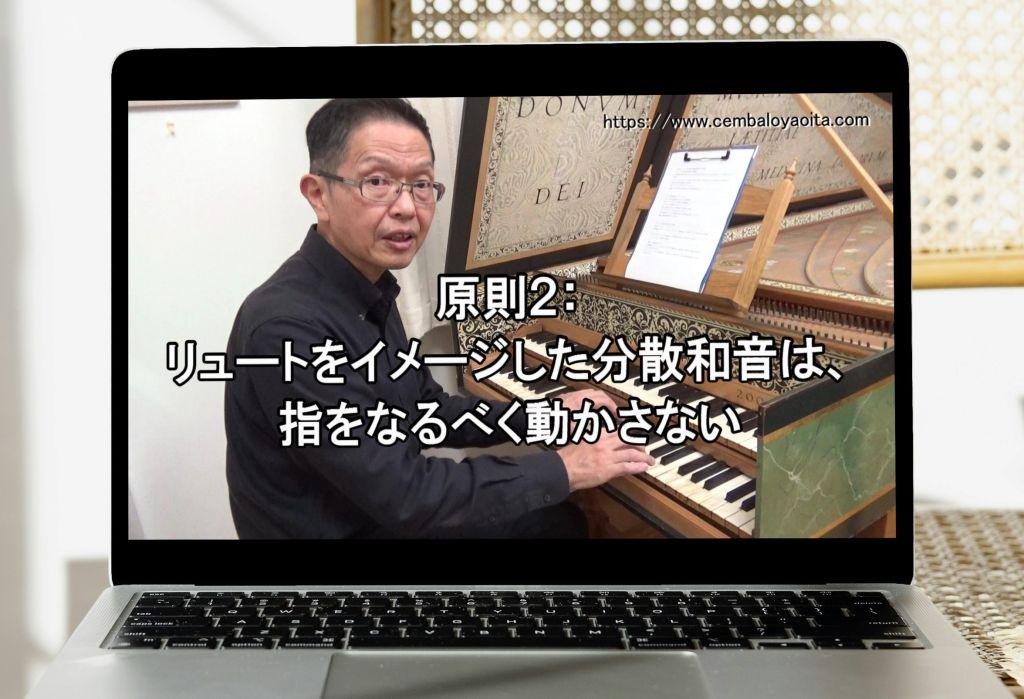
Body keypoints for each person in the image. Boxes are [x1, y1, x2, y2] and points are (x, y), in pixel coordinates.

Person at [224, 98, 653, 539]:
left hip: (378, 510)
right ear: (319, 195)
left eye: (422, 184)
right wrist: (564, 468)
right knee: (557, 521)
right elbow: (407, 496)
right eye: (377, 181)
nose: (407, 207)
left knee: (557, 518)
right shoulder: (286, 329)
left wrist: (542, 414)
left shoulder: (367, 287)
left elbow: (427, 408)